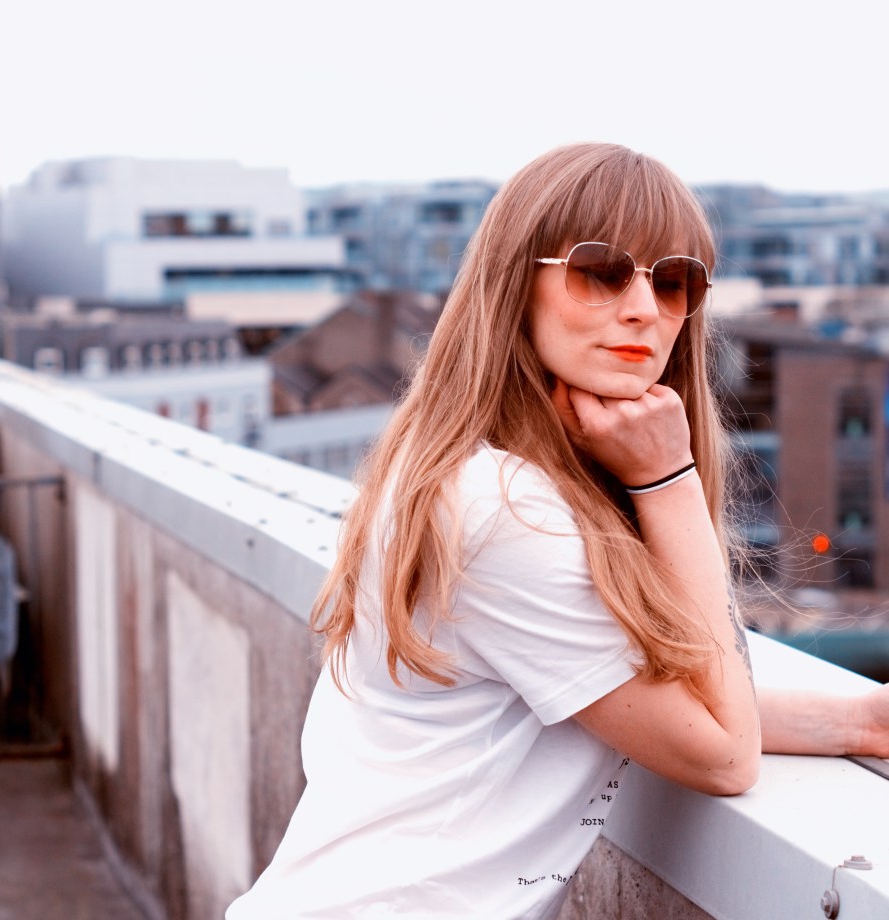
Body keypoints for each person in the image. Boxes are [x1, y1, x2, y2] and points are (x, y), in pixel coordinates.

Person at [227, 143, 889, 920]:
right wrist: (669, 483)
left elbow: (644, 698)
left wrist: (864, 721)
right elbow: (722, 751)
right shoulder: (505, 511)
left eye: (674, 281)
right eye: (600, 270)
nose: (644, 306)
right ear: (518, 287)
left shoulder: (468, 470)